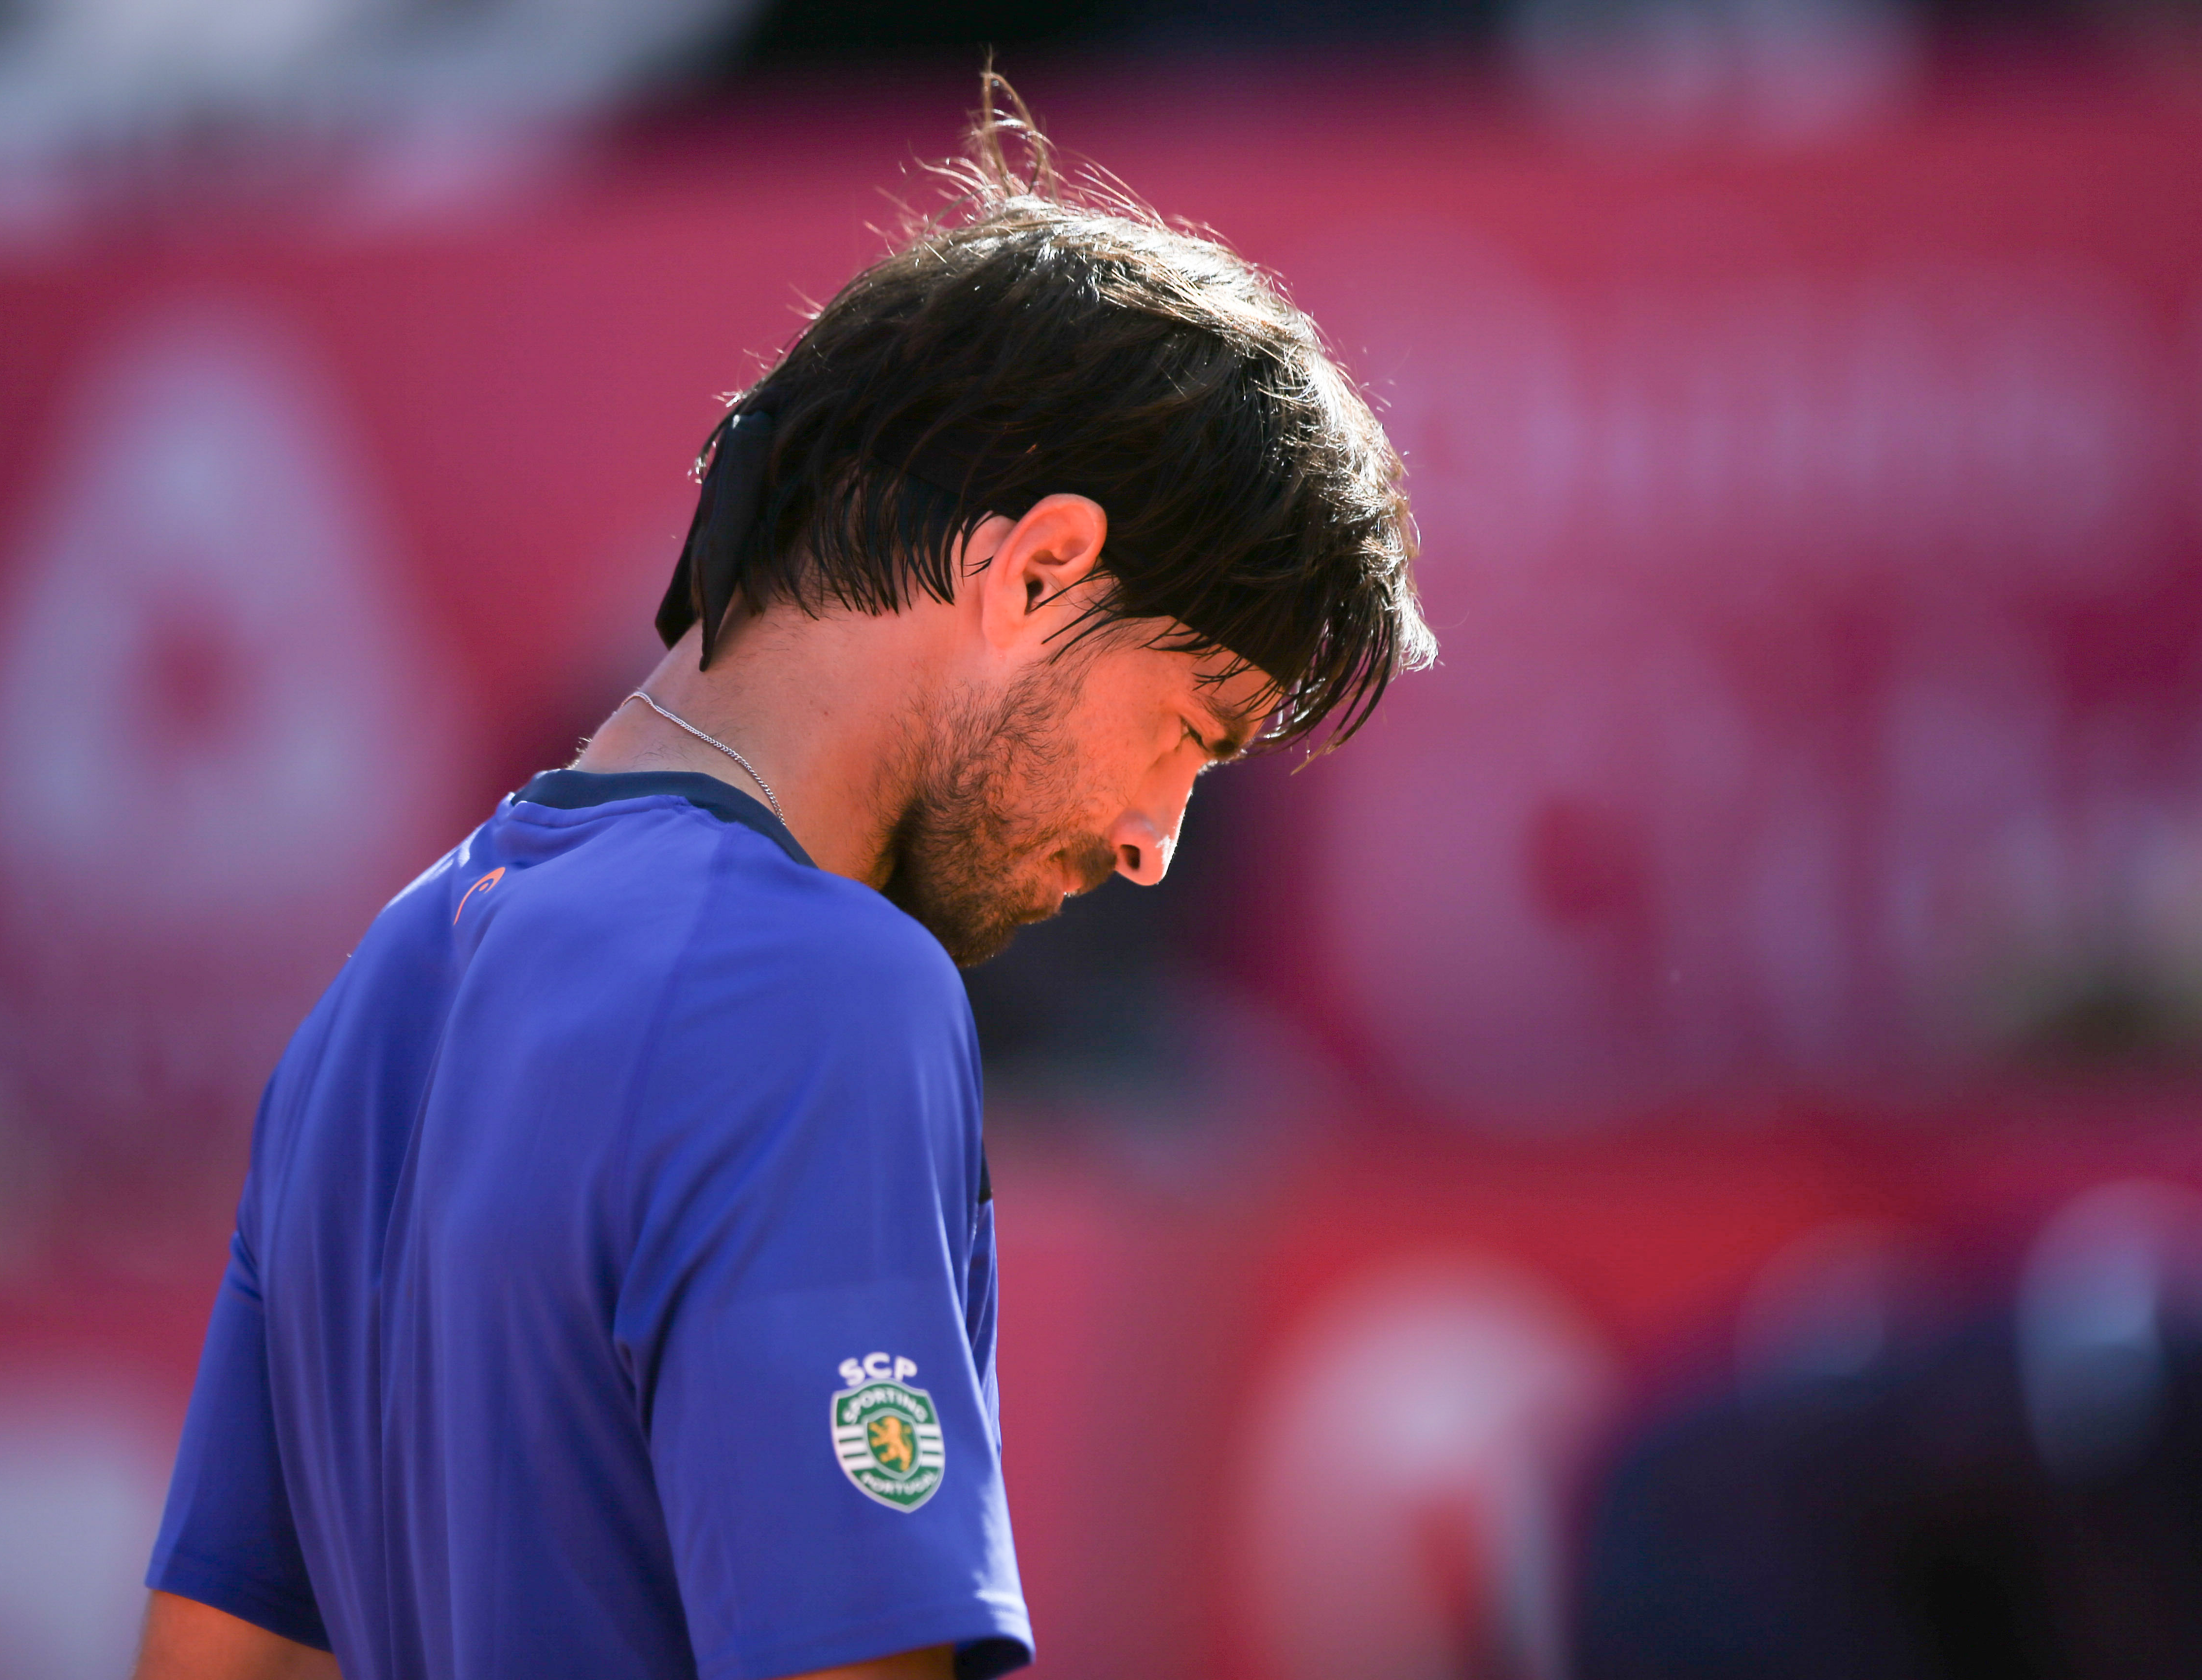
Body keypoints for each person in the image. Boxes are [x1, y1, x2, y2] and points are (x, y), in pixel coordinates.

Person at [133, 75, 1431, 1680]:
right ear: (1039, 572)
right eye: (1188, 730)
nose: (1156, 843)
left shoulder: (379, 987)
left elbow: (212, 1661)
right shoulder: (822, 990)